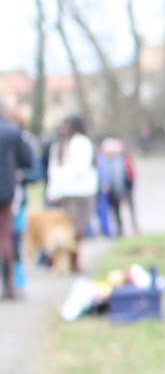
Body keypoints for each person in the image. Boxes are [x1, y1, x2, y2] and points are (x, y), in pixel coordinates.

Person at [45, 114, 97, 272]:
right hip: (64, 192)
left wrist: (62, 177)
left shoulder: (81, 143)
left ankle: (73, 260)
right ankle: (62, 260)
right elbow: (53, 169)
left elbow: (81, 167)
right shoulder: (60, 144)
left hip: (78, 192)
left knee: (76, 229)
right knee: (65, 229)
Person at [0, 102, 36, 300]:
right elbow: (28, 161)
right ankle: (9, 286)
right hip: (5, 193)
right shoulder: (12, 132)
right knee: (4, 238)